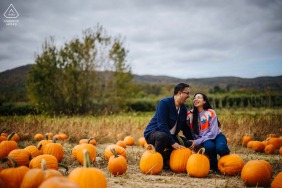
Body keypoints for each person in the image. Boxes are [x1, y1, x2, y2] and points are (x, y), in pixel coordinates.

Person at [144, 83, 193, 170]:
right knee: (163, 136)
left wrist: (192, 140)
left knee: (188, 144)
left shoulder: (183, 109)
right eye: (187, 93)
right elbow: (162, 125)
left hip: (171, 136)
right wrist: (173, 143)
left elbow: (185, 127)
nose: (189, 96)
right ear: (179, 93)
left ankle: (164, 158)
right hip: (154, 134)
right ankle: (156, 162)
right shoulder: (164, 103)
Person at [187, 92, 230, 172]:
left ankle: (228, 164)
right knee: (210, 147)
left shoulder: (210, 112)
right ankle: (214, 166)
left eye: (199, 97)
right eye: (194, 98)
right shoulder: (190, 115)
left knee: (221, 148)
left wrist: (197, 141)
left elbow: (213, 133)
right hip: (205, 140)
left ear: (204, 101)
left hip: (217, 136)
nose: (196, 99)